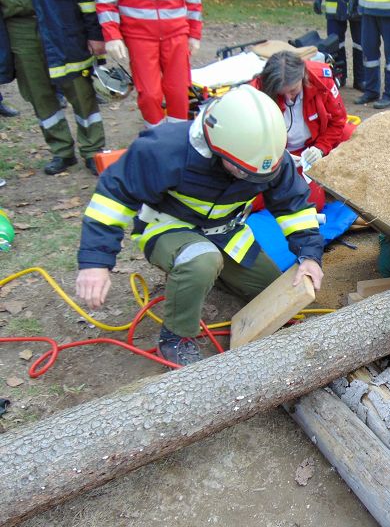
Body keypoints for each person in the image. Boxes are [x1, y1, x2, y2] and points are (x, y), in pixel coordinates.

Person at [75, 85, 324, 366]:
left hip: (225, 231)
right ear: (217, 147)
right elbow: (112, 199)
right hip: (167, 226)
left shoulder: (267, 158)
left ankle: (211, 277)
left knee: (274, 290)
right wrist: (95, 263)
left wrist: (309, 255)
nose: (248, 178)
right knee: (201, 260)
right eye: (240, 170)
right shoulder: (165, 149)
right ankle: (175, 337)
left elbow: (294, 207)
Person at [0, 0, 106, 175]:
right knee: (38, 91)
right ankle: (62, 151)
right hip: (19, 28)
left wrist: (94, 32)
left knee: (79, 88)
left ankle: (93, 149)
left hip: (61, 22)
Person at [92, 0, 203, 128]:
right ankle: (156, 139)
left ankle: (178, 137)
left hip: (176, 30)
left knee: (178, 91)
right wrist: (112, 34)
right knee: (149, 95)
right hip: (138, 34)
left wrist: (194, 32)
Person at [256, 51, 355, 212]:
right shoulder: (259, 88)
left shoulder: (321, 80)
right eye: (282, 93)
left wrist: (321, 148)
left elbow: (338, 121)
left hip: (316, 142)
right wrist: (281, 156)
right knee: (310, 203)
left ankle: (334, 177)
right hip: (284, 151)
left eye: (293, 91)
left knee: (352, 134)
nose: (288, 97)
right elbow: (253, 137)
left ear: (302, 75)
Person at [314, 0, 365, 90]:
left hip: (358, 0)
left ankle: (361, 79)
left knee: (360, 43)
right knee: (335, 42)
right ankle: (339, 75)